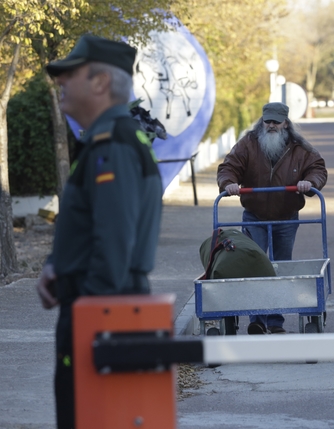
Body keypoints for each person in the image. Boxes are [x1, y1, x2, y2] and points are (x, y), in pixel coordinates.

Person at [35, 35, 163, 428]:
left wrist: (90, 319)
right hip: (98, 308)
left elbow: (113, 246)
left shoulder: (114, 144)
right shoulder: (106, 141)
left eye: (69, 75)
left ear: (100, 83)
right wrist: (57, 264)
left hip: (101, 313)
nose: (60, 84)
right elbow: (95, 228)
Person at [217, 102, 328, 335]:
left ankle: (275, 321)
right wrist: (229, 183)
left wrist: (310, 182)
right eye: (267, 120)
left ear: (286, 123)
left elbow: (317, 168)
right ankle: (256, 319)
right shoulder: (248, 143)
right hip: (254, 215)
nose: (271, 125)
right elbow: (229, 166)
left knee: (281, 266)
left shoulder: (299, 147)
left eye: (276, 121)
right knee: (255, 264)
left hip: (286, 216)